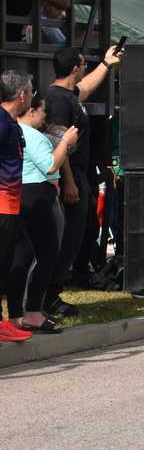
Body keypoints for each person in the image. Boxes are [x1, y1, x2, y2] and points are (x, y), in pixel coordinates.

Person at [43, 44, 122, 319]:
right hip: (68, 177)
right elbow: (58, 142)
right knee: (64, 241)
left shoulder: (66, 95)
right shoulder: (57, 101)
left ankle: (50, 295)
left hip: (76, 176)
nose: (85, 68)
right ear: (75, 68)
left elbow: (84, 88)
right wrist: (69, 182)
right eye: (83, 65)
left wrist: (106, 64)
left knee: (76, 237)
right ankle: (46, 298)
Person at [6, 95, 77, 333]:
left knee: (22, 257)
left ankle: (16, 314)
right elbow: (49, 165)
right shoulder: (32, 136)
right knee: (46, 255)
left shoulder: (12, 131)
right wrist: (65, 142)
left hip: (18, 193)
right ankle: (33, 311)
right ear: (32, 111)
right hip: (37, 194)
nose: (45, 117)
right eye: (43, 112)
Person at [0, 72, 32, 343]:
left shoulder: (10, 123)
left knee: (13, 259)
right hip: (2, 204)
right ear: (22, 95)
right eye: (30, 91)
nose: (32, 97)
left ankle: (7, 320)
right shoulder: (1, 122)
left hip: (11, 203)